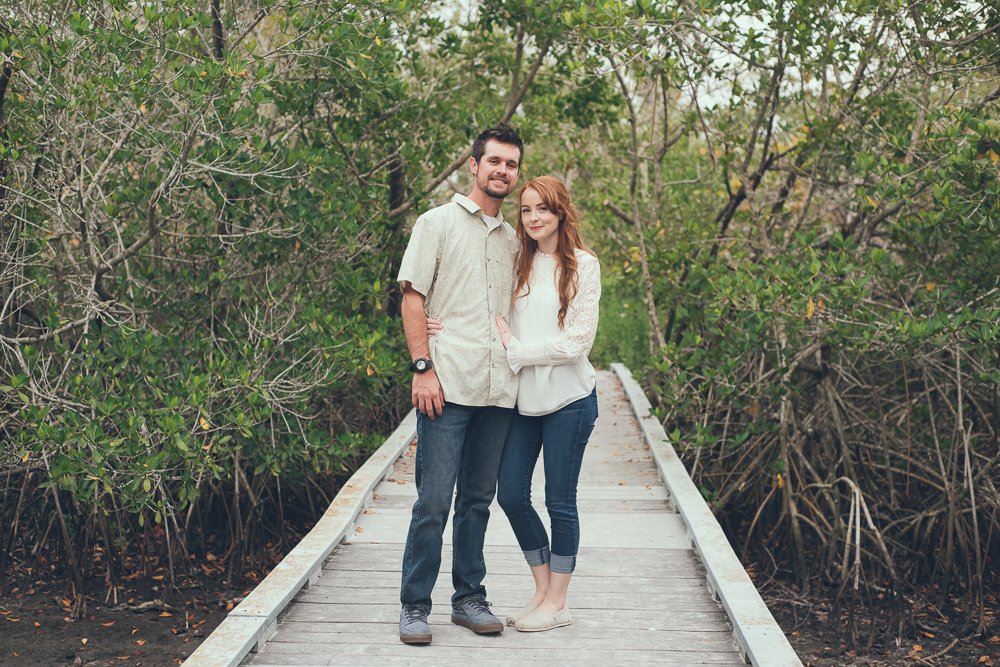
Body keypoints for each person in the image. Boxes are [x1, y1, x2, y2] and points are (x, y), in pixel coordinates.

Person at [396, 122, 524, 645]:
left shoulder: (517, 240)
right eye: (494, 161)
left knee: (477, 500)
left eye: (512, 164)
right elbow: (412, 298)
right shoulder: (437, 223)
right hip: (447, 386)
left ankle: (468, 598)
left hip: (499, 391)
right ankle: (414, 606)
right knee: (433, 500)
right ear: (474, 165)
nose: (503, 171)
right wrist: (422, 368)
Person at [494, 175, 601, 632]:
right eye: (526, 209)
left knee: (560, 501)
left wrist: (520, 354)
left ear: (560, 213)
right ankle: (542, 591)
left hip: (570, 400)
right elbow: (493, 315)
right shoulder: (516, 263)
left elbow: (578, 341)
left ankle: (558, 603)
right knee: (511, 495)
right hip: (524, 400)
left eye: (543, 209)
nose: (533, 217)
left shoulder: (582, 265)